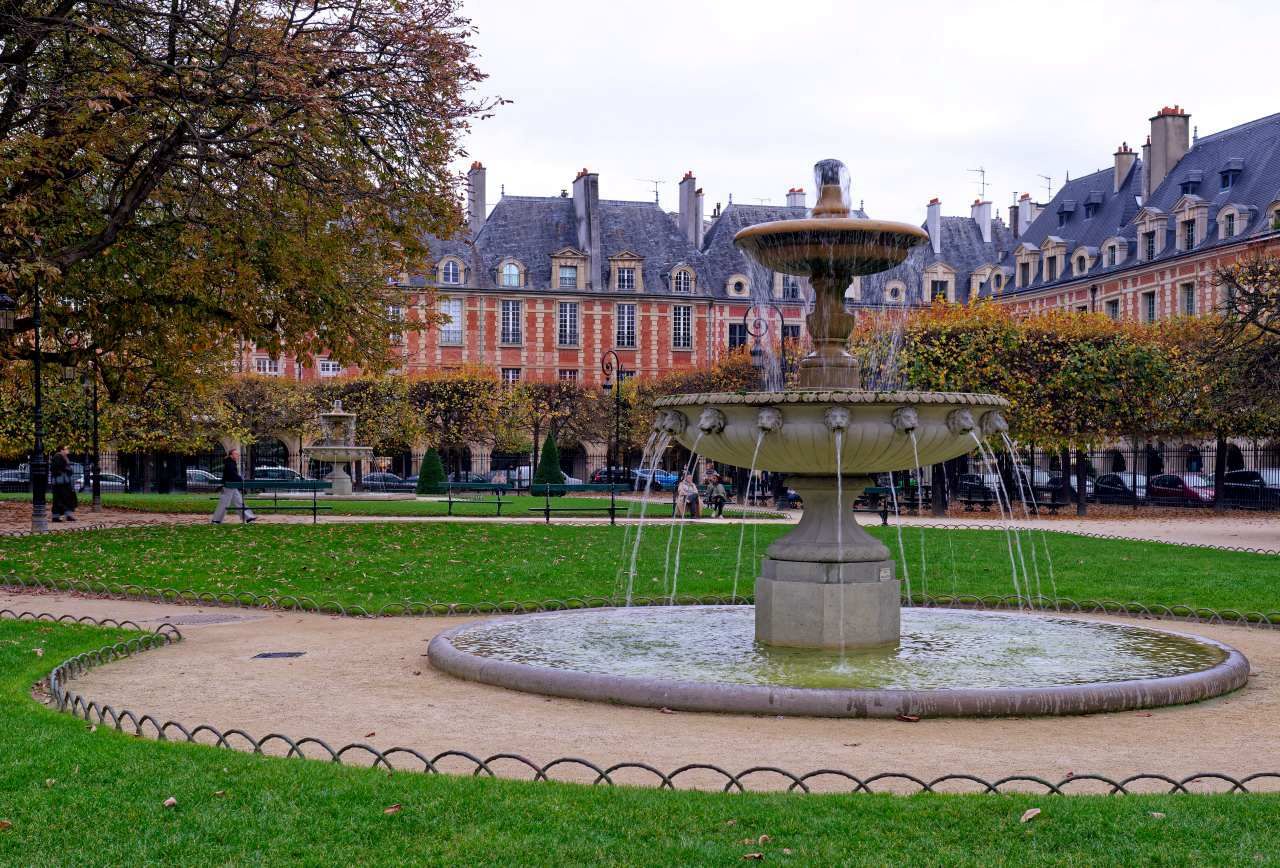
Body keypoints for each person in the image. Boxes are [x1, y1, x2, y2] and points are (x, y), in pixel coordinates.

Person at [211, 448, 256, 524]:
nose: (238, 455)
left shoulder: (231, 462)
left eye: (238, 454)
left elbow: (233, 475)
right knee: (224, 503)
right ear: (231, 455)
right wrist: (240, 480)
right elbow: (232, 474)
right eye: (236, 454)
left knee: (239, 501)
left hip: (231, 485)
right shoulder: (229, 463)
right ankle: (216, 520)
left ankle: (249, 517)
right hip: (229, 486)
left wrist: (239, 481)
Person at [50, 445, 78, 522]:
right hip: (61, 482)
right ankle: (57, 516)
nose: (68, 450)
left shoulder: (63, 456)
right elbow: (56, 468)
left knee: (67, 498)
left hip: (64, 482)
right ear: (61, 450)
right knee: (61, 499)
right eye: (66, 449)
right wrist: (66, 470)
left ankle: (67, 515)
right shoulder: (58, 456)